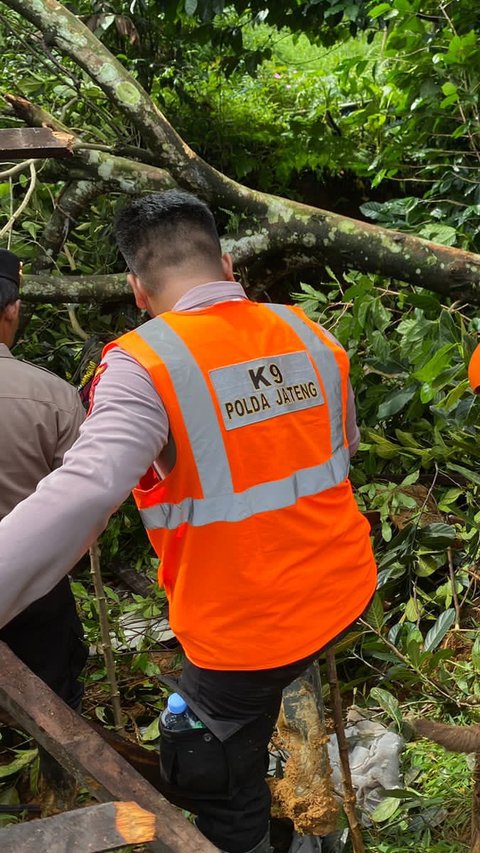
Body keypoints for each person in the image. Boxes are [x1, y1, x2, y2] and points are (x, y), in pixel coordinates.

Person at [0, 193, 377, 853]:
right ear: (227, 264)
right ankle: (306, 818)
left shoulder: (143, 364)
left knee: (197, 755)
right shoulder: (311, 333)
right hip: (342, 588)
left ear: (137, 289)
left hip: (247, 628)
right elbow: (337, 450)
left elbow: (86, 488)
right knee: (261, 699)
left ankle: (262, 837)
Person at [0, 248, 87, 715]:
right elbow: (83, 500)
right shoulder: (53, 395)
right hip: (36, 592)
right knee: (53, 712)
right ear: (12, 309)